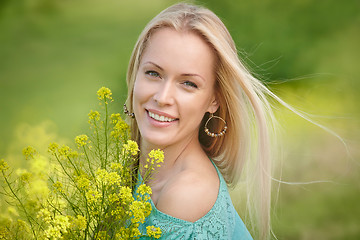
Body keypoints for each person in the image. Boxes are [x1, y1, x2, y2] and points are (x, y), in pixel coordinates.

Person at [124, 3, 276, 239]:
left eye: (188, 84)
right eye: (153, 73)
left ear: (213, 100)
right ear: (135, 74)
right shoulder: (141, 167)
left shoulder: (186, 196)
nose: (162, 98)